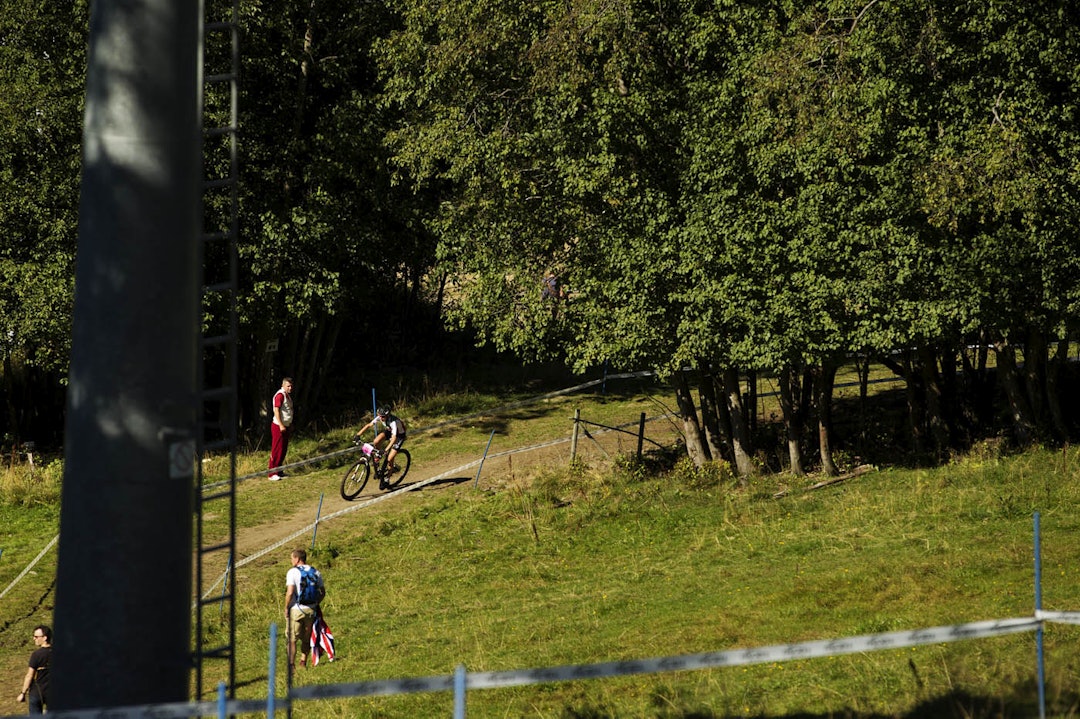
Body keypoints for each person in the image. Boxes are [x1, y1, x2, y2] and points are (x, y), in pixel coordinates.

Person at [284, 548, 324, 671]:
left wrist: (286, 607)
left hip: (296, 609)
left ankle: (291, 666)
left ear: (297, 559)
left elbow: (290, 592)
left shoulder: (292, 572)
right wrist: (316, 603)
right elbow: (322, 592)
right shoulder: (316, 572)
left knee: (292, 639)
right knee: (307, 638)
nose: (291, 560)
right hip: (311, 609)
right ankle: (303, 662)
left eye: (292, 558)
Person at [355, 405, 407, 487]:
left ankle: (387, 478)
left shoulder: (393, 422)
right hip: (389, 431)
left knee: (390, 458)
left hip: (399, 436)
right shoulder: (380, 417)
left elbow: (394, 439)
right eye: (380, 416)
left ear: (387, 415)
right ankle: (378, 456)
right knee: (376, 441)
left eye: (383, 417)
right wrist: (358, 435)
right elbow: (369, 425)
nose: (381, 418)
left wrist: (386, 449)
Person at [17, 624, 51, 714]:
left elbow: (29, 675)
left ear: (44, 638)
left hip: (37, 692)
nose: (34, 639)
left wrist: (23, 693)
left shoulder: (36, 655)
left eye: (36, 636)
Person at [268, 377, 294, 481]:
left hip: (286, 426)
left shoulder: (287, 396)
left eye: (291, 386)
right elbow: (276, 410)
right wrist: (281, 425)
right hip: (278, 426)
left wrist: (289, 424)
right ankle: (272, 472)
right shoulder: (280, 395)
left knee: (283, 449)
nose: (290, 388)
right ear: (283, 385)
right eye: (288, 386)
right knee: (277, 449)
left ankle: (279, 470)